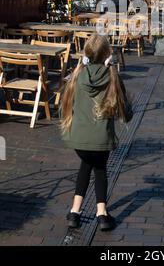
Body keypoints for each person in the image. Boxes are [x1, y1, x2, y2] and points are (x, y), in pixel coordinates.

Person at [60, 34, 133, 229]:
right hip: (101, 140)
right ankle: (101, 213)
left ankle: (75, 212)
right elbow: (128, 113)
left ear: (86, 54)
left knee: (86, 164)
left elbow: (64, 105)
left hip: (78, 139)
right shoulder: (112, 76)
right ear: (107, 54)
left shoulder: (77, 75)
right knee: (100, 169)